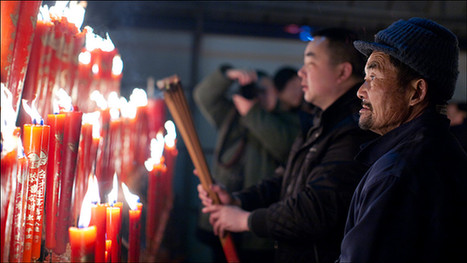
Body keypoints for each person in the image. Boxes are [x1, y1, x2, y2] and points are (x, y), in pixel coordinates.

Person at [196, 28, 378, 263]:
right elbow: (288, 178)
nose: (300, 73)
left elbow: (313, 211)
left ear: (342, 71)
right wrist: (239, 200)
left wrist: (246, 219)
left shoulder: (354, 129)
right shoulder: (321, 120)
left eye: (310, 64)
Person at [338, 17, 467, 262]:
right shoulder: (442, 151)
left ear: (416, 92)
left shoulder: (398, 173)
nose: (361, 90)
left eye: (373, 77)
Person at [193, 65, 303, 262]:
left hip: (256, 224)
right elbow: (203, 96)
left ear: (276, 92)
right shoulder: (232, 116)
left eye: (264, 90)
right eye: (255, 90)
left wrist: (252, 113)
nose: (259, 96)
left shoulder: (289, 121)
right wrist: (227, 75)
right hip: (221, 214)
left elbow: (285, 146)